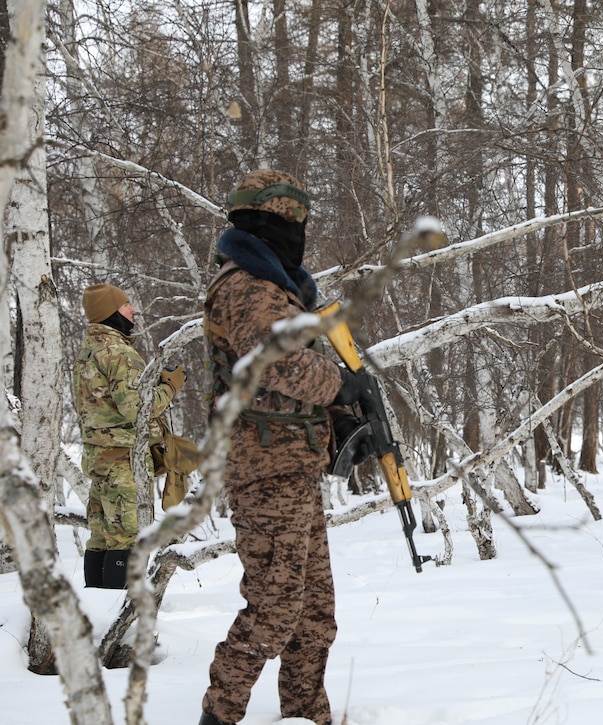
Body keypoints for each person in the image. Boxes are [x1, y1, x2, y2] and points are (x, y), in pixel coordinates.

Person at [199, 170, 372, 725]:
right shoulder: (246, 284)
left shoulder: (279, 287)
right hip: (262, 468)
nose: (297, 232)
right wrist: (336, 385)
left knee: (315, 614)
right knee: (273, 612)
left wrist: (343, 419)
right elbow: (273, 360)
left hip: (293, 466)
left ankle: (303, 714)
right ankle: (219, 714)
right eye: (287, 222)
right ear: (262, 223)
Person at [74, 284, 185, 589]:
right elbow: (136, 408)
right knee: (127, 535)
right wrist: (171, 386)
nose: (133, 309)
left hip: (99, 458)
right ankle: (117, 619)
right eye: (126, 306)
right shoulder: (119, 352)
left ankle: (96, 610)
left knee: (101, 535)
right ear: (111, 312)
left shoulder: (89, 350)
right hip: (123, 461)